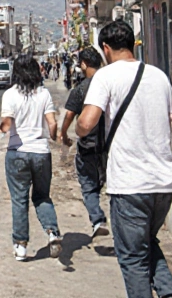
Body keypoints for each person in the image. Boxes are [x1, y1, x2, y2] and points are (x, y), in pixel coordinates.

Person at [78, 20, 172, 298]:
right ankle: (170, 294)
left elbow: (87, 123)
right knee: (147, 242)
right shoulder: (159, 75)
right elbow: (167, 124)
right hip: (164, 181)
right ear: (133, 43)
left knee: (133, 257)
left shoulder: (106, 76)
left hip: (130, 183)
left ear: (106, 48)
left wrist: (77, 128)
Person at [0, 53, 63, 262]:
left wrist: (2, 127)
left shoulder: (10, 94)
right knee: (42, 196)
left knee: (19, 199)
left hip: (17, 152)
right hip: (41, 152)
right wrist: (52, 136)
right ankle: (52, 232)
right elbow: (52, 124)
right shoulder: (43, 94)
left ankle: (21, 246)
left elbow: (7, 125)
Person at [60, 46, 110, 238]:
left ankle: (97, 220)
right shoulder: (110, 84)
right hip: (110, 145)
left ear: (83, 64)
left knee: (88, 186)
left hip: (88, 145)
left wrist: (64, 134)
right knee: (112, 186)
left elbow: (70, 115)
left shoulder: (81, 89)